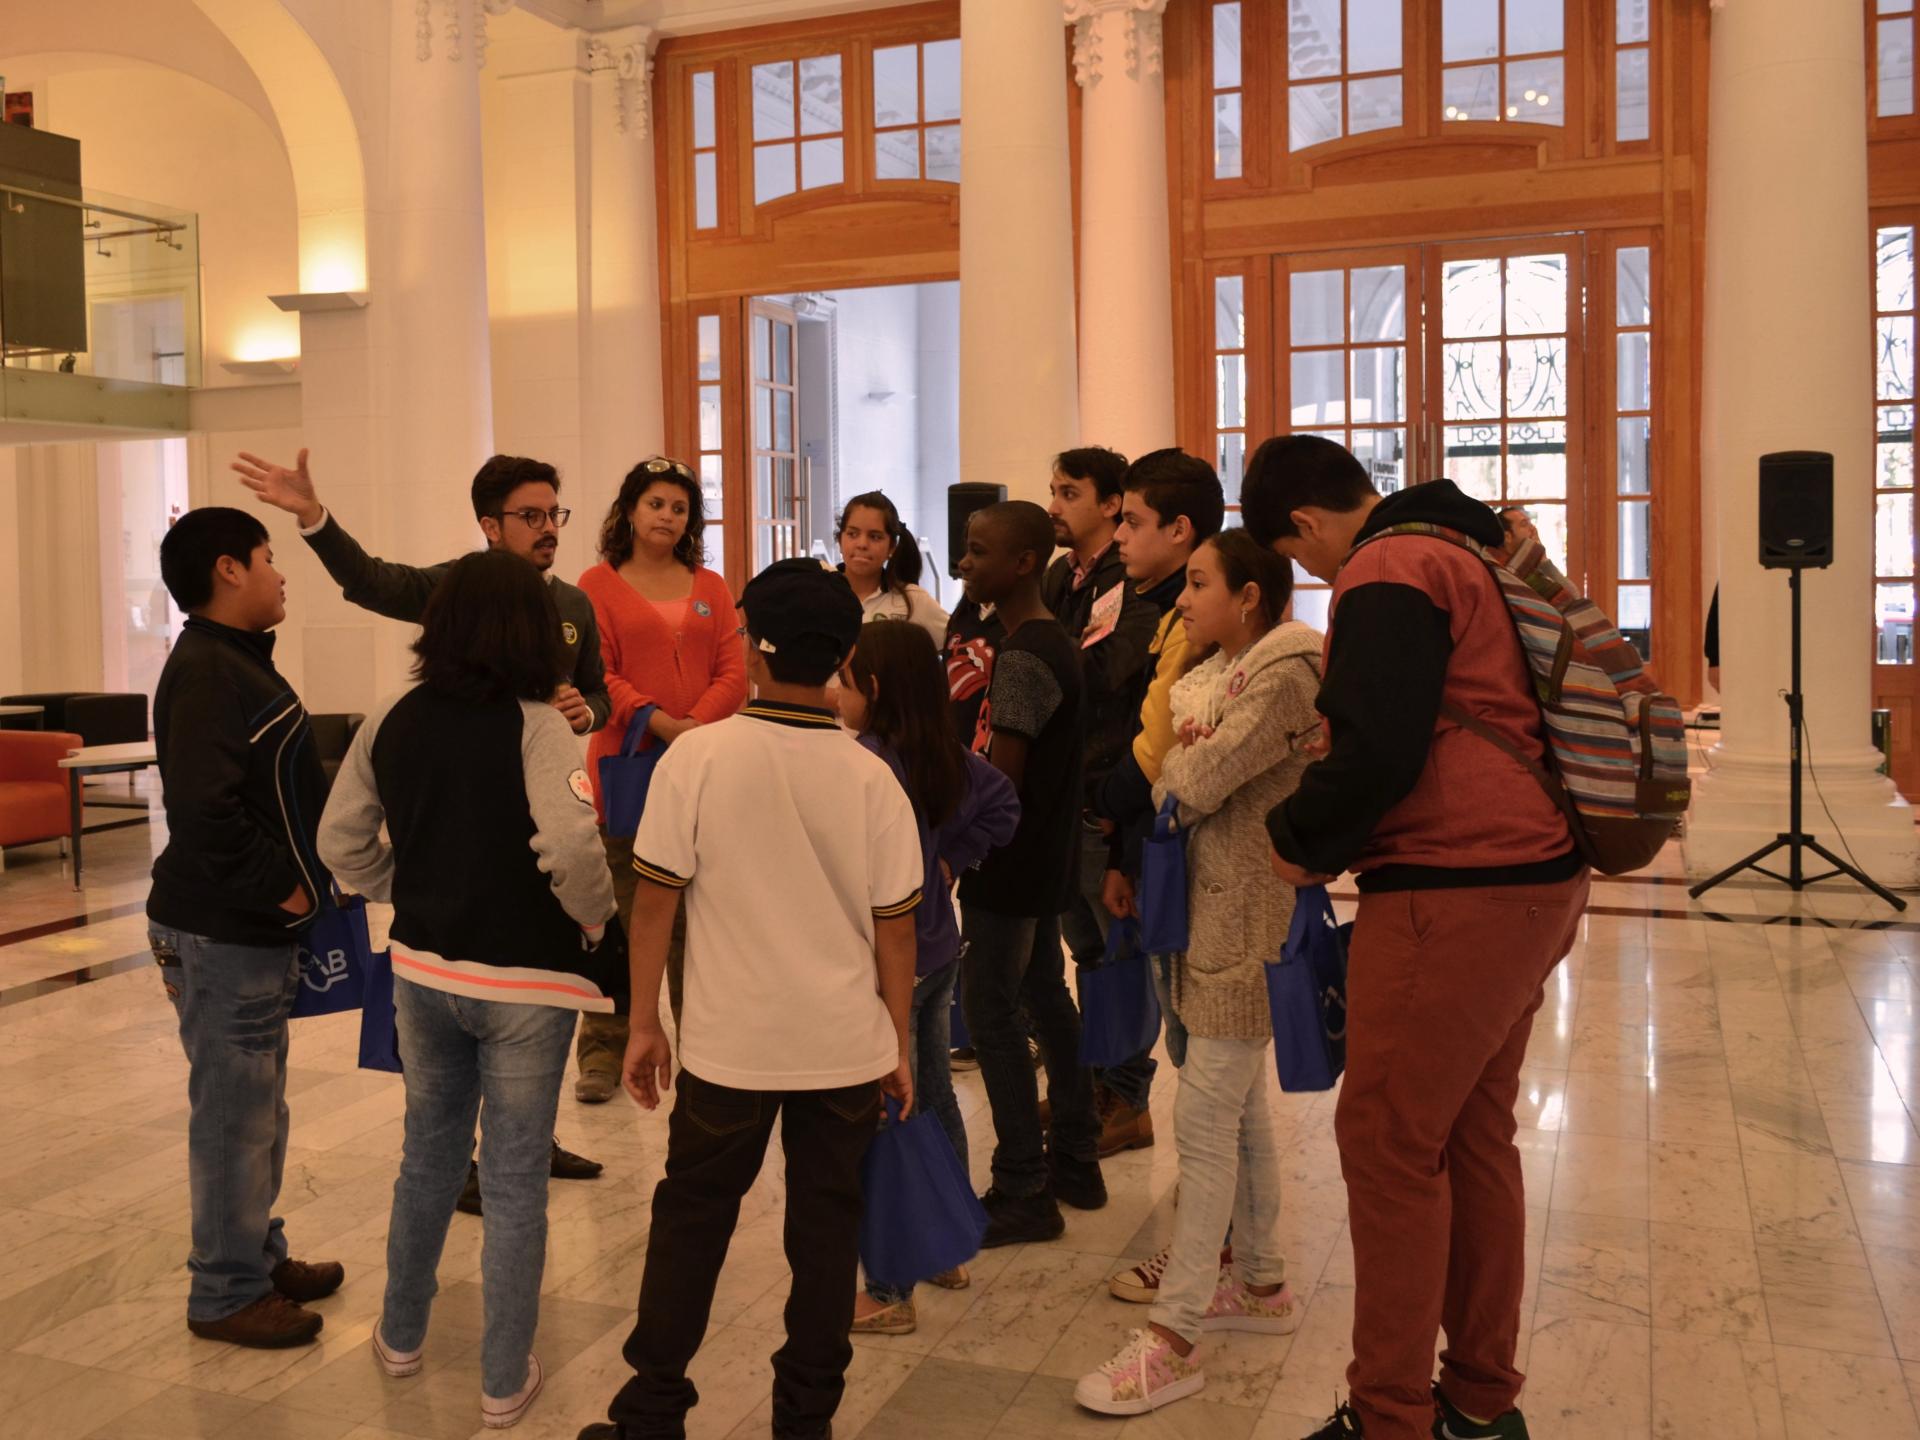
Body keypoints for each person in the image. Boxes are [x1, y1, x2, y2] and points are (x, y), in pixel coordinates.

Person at [1242, 436, 1590, 1440]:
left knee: (1389, 1141)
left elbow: (1383, 751)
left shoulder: (1389, 565)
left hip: (1456, 884)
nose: (1314, 576)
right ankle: (1480, 1403)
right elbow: (1432, 716)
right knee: (1474, 1133)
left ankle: (1391, 1419)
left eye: (1300, 558)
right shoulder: (1468, 545)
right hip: (1533, 875)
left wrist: (1301, 839)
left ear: (1306, 523)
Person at [578, 558, 920, 1440]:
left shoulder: (698, 757)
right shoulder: (874, 778)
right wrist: (901, 1046)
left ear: (749, 651)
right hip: (845, 1046)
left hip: (731, 1047)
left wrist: (644, 1022)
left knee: (691, 1216)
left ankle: (652, 1409)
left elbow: (653, 904)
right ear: (844, 654)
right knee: (825, 1230)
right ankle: (805, 1420)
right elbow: (897, 933)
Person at [235, 446, 606, 1198]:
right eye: (530, 516)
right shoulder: (452, 590)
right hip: (459, 840)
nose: (548, 529)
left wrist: (583, 711)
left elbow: (597, 695)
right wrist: (313, 515)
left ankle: (534, 1139)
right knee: (460, 1023)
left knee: (529, 1014)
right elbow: (371, 580)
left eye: (553, 514)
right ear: (489, 525)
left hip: (535, 833)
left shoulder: (573, 605)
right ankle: (463, 1162)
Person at [318, 550, 619, 1432]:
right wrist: (593, 922)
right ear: (531, 629)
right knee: (517, 1179)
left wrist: (399, 887)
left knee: (427, 1159)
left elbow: (342, 841)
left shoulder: (394, 713)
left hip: (420, 971)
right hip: (526, 981)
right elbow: (570, 849)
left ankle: (400, 1337)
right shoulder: (537, 723)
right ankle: (500, 1382)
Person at [1075, 529, 1320, 1415]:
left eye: (1199, 584)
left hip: (1247, 923)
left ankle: (1173, 1337)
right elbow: (1175, 745)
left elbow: (1189, 778)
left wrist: (1181, 754)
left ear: (1248, 596)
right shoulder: (1222, 675)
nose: (1182, 602)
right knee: (1240, 1110)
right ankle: (1258, 1282)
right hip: (1209, 918)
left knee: (1207, 1123)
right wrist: (1182, 747)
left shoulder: (1286, 672)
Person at [146, 506, 343, 1349]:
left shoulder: (235, 662)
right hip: (222, 929)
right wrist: (288, 893)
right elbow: (202, 813)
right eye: (269, 557)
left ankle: (256, 1256)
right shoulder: (208, 671)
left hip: (248, 930)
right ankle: (225, 1292)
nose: (281, 572)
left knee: (259, 1108)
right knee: (233, 1114)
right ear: (229, 570)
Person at [840, 620, 1021, 1336]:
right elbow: (1005, 806)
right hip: (938, 953)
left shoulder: (869, 764)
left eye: (846, 680)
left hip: (892, 966)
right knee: (935, 1094)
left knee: (891, 1112)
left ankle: (888, 1287)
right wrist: (953, 859)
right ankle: (949, 1246)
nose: (836, 692)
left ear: (875, 690)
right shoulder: (944, 755)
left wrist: (947, 859)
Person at [1093, 451, 1230, 1307]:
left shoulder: (1212, 634)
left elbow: (1163, 740)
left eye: (1131, 520)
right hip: (1151, 845)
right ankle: (1221, 1251)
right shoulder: (1153, 603)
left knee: (1210, 1072)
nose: (1119, 536)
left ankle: (1210, 1256)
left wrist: (1110, 794)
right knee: (1193, 1056)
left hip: (1195, 861)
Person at [574, 457, 747, 1104]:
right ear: (628, 511)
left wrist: (694, 726)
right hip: (628, 767)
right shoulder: (597, 584)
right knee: (621, 915)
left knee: (699, 915)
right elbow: (597, 670)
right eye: (655, 504)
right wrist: (658, 722)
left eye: (678, 507)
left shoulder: (711, 584)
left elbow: (734, 668)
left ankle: (700, 1042)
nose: (667, 516)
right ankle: (602, 1050)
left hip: (706, 766)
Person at [953, 500, 1103, 1246]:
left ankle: (1023, 1186)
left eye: (978, 552)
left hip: (1009, 862)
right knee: (1046, 994)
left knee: (992, 1012)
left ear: (1020, 564)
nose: (963, 562)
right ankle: (1076, 1156)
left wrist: (954, 837)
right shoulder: (1050, 642)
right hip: (1045, 857)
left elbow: (998, 783)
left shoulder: (1024, 657)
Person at [1040, 446, 1167, 1158]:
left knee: (1118, 941)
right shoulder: (1064, 574)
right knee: (1084, 944)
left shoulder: (1131, 579)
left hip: (1107, 779)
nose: (1055, 506)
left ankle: (1127, 1093)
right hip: (1065, 782)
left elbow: (1105, 671)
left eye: (1069, 492)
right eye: (1053, 491)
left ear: (1112, 504)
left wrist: (1038, 659)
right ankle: (1094, 1082)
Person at [837, 490, 949, 648]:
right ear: (839, 540)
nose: (862, 544)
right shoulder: (817, 594)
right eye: (852, 534)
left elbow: (959, 647)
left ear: (892, 547)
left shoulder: (912, 600)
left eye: (875, 536)